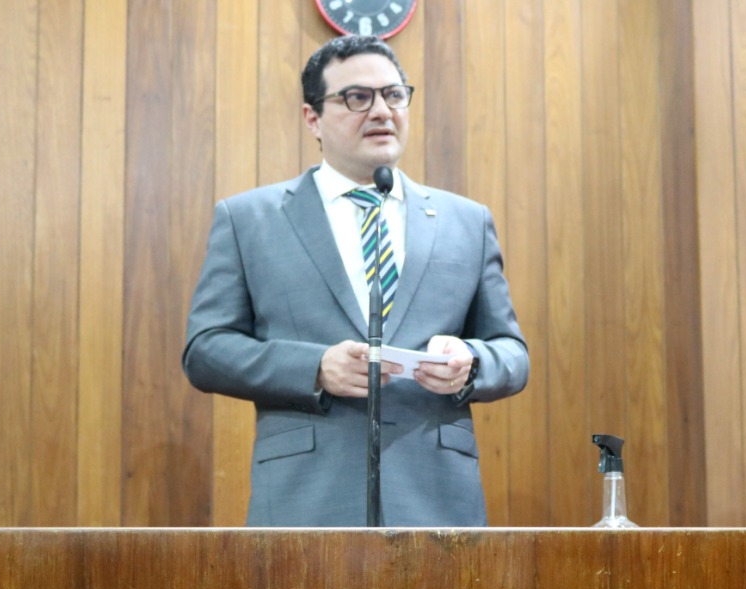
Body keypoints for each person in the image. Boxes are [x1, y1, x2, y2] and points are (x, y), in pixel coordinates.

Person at [183, 35, 529, 527]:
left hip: (436, 500)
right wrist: (314, 368)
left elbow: (512, 352)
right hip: (306, 498)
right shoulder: (249, 220)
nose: (382, 111)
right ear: (313, 119)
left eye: (394, 95)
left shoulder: (466, 221)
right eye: (357, 98)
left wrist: (472, 363)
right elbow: (205, 351)